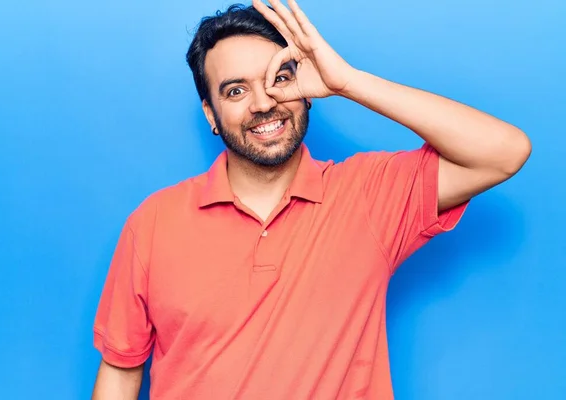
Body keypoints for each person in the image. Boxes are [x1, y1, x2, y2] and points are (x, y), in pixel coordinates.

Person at [91, 0, 531, 399]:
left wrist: (349, 82)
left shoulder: (368, 195)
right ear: (211, 114)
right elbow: (120, 371)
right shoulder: (153, 223)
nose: (264, 103)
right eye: (236, 91)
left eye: (279, 78)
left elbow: (504, 153)